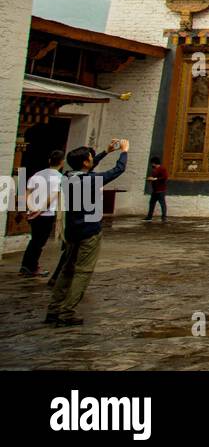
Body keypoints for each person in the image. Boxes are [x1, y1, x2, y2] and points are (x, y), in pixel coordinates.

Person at [46, 140, 129, 327]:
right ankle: (67, 312)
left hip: (72, 231)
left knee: (67, 270)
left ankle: (54, 308)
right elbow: (117, 170)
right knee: (83, 271)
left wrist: (105, 152)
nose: (92, 160)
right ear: (85, 162)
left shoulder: (68, 177)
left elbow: (87, 170)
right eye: (90, 158)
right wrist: (124, 152)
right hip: (89, 231)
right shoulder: (89, 181)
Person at [19, 149, 65, 277]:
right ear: (62, 162)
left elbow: (28, 192)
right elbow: (52, 197)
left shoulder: (37, 174)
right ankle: (31, 266)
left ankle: (27, 265)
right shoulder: (59, 178)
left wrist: (29, 208)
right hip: (46, 214)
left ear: (49, 161)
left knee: (34, 240)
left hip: (33, 211)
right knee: (39, 242)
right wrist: (40, 210)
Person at [145, 157, 168, 222]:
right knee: (152, 203)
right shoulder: (155, 170)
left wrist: (155, 179)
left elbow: (165, 177)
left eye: (152, 163)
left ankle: (164, 217)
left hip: (161, 190)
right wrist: (150, 179)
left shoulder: (162, 169)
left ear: (154, 163)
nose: (152, 165)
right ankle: (149, 217)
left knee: (162, 204)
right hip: (155, 190)